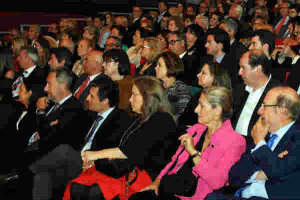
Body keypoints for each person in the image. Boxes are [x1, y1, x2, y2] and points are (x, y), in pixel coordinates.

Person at [63, 76, 179, 200]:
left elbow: (128, 151)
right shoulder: (140, 119)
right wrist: (97, 161)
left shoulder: (162, 120)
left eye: (134, 95)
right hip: (128, 171)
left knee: (94, 191)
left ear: (148, 97)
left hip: (148, 177)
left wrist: (95, 156)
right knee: (77, 187)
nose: (130, 100)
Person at [130, 86, 246, 200]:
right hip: (170, 188)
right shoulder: (198, 129)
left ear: (217, 111)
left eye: (201, 105)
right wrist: (157, 181)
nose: (196, 110)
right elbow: (174, 160)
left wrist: (193, 153)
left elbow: (217, 182)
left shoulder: (235, 142)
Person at [206, 86, 300, 200]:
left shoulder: (296, 139)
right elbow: (234, 176)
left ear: (282, 111)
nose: (259, 111)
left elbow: (277, 173)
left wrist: (260, 142)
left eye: (264, 106)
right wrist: (261, 174)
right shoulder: (265, 134)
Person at [232, 50, 279, 145]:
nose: (240, 72)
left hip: (255, 146)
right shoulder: (240, 88)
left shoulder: (277, 92)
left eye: (243, 68)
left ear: (258, 69)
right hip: (232, 141)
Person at [178, 60, 232, 128]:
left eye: (203, 73)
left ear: (215, 77)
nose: (198, 75)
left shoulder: (224, 99)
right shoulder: (198, 95)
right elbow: (183, 119)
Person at [155, 51, 191, 119]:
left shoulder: (180, 90)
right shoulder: (157, 85)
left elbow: (179, 117)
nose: (155, 68)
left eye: (159, 65)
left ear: (170, 66)